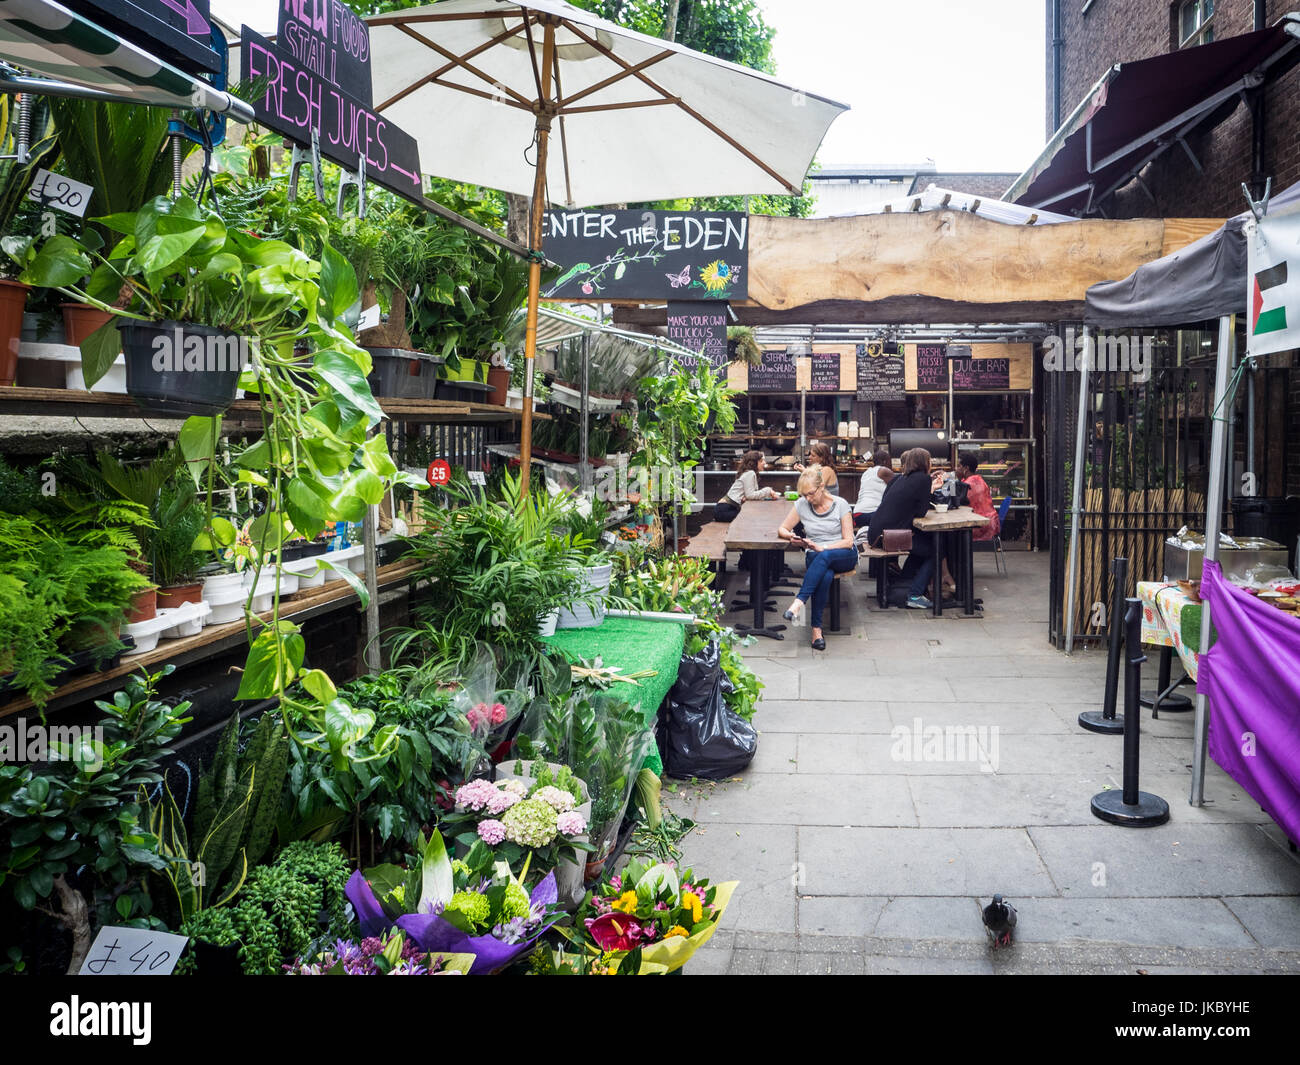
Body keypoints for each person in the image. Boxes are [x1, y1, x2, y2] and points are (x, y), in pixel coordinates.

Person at [777, 465, 856, 651]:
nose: (808, 498)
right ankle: (816, 631)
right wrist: (792, 537)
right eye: (804, 495)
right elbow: (782, 529)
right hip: (816, 556)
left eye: (811, 494)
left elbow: (848, 541)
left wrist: (824, 547)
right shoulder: (802, 504)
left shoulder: (841, 504)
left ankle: (799, 602)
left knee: (825, 556)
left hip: (842, 554)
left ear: (821, 487)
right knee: (825, 575)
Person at [867, 448, 937, 609]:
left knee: (923, 544)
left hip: (875, 532)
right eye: (930, 460)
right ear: (924, 463)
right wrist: (930, 490)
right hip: (887, 537)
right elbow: (921, 511)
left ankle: (903, 584)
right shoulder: (924, 479)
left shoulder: (900, 478)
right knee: (936, 550)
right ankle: (914, 594)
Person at [935, 450, 1003, 597]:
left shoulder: (970, 484)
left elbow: (954, 500)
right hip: (988, 522)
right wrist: (948, 477)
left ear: (965, 468)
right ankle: (950, 574)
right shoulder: (977, 479)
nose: (956, 469)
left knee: (947, 538)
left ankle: (950, 575)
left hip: (981, 526)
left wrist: (946, 479)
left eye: (958, 466)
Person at [714, 450, 780, 522]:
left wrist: (768, 495)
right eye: (761, 461)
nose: (764, 463)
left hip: (725, 509)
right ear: (754, 463)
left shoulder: (749, 473)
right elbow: (750, 495)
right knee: (754, 517)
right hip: (724, 510)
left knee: (754, 516)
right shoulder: (750, 473)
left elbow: (750, 495)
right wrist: (768, 490)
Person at [853, 448, 893, 529]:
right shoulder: (884, 471)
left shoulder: (866, 472)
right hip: (872, 514)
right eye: (890, 461)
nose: (891, 464)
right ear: (885, 461)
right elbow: (899, 488)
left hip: (857, 515)